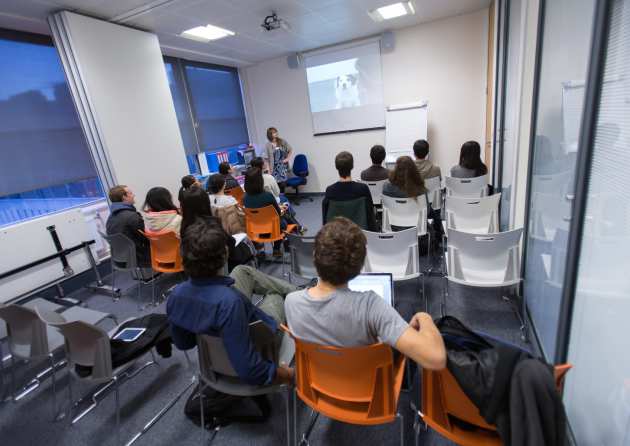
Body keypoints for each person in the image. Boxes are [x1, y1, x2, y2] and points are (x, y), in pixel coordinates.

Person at [284, 218, 446, 370]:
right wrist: (425, 317)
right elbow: (436, 358)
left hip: (318, 382)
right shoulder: (370, 306)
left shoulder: (292, 302)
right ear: (361, 266)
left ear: (314, 256)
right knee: (405, 307)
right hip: (369, 383)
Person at [166, 219, 296, 386]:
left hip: (219, 340)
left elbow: (183, 343)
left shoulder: (176, 294)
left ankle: (297, 291)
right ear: (224, 255)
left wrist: (204, 323)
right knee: (275, 294)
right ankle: (302, 295)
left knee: (241, 271)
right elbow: (251, 371)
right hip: (265, 339)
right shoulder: (229, 303)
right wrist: (289, 375)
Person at [180, 185, 252, 270]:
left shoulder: (184, 228)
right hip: (219, 266)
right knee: (245, 247)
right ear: (206, 203)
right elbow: (230, 243)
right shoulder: (212, 224)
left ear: (183, 207)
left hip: (197, 270)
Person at [243, 168, 302, 255]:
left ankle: (297, 228)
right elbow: (278, 213)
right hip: (274, 229)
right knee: (284, 217)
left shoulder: (245, 198)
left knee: (281, 218)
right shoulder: (268, 196)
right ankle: (278, 247)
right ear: (260, 181)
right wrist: (282, 208)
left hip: (256, 230)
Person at [322, 151, 377, 231]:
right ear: (352, 166)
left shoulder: (330, 190)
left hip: (337, 235)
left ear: (336, 167)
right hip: (359, 234)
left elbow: (325, 221)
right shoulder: (363, 189)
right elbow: (370, 215)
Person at [105, 185, 150, 266]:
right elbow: (146, 238)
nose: (134, 195)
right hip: (138, 257)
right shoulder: (132, 216)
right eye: (131, 193)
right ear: (124, 197)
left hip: (120, 258)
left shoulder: (110, 218)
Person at [264, 127, 293, 193]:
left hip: (282, 167)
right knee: (276, 185)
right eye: (274, 132)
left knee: (283, 184)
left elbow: (290, 149)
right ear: (270, 134)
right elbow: (266, 159)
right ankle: (278, 197)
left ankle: (283, 197)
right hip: (273, 168)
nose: (276, 133)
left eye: (276, 132)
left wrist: (287, 158)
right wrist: (268, 170)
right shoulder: (268, 145)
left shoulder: (282, 141)